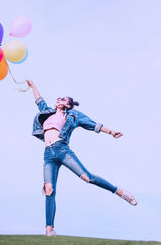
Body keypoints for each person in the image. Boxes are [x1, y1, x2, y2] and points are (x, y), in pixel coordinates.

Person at [26, 79, 137, 237]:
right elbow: (39, 101)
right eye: (58, 98)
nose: (59, 99)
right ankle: (49, 229)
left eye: (63, 99)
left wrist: (111, 132)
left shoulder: (73, 115)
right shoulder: (48, 112)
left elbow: (92, 124)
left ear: (68, 105)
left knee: (87, 177)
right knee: (49, 190)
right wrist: (33, 87)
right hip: (48, 154)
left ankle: (119, 191)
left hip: (62, 150)